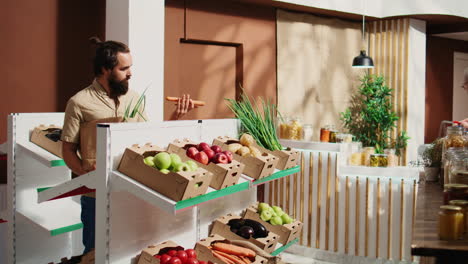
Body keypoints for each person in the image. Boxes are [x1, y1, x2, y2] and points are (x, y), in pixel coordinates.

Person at [60, 38, 196, 260]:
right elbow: (67, 150)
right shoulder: (79, 102)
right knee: (95, 254)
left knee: (127, 252)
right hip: (96, 196)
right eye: (124, 68)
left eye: (130, 67)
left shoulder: (134, 99)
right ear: (105, 69)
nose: (130, 73)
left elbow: (147, 142)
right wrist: (87, 176)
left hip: (132, 191)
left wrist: (175, 118)